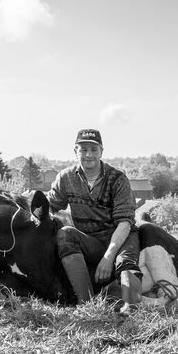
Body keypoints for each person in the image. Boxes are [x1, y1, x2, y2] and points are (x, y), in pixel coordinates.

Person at [47, 129, 142, 311]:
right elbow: (50, 205)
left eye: (93, 149)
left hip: (121, 236)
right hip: (91, 239)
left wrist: (108, 257)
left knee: (125, 263)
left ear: (101, 152)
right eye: (83, 149)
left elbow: (124, 222)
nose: (88, 154)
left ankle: (131, 308)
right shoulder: (65, 178)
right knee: (66, 234)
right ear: (75, 152)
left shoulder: (118, 179)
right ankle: (88, 305)